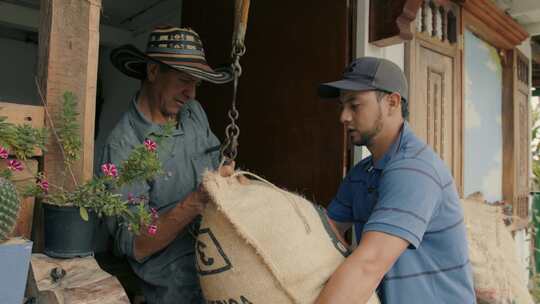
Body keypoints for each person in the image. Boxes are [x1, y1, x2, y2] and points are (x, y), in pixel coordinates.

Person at [314, 57, 475, 304]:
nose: (343, 117)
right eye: (342, 106)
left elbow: (369, 264)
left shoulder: (415, 170)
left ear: (392, 102)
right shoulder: (362, 173)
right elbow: (322, 233)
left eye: (354, 105)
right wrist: (242, 193)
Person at [96, 26, 233, 304]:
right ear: (153, 72)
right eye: (184, 80)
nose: (191, 94)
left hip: (219, 254)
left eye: (196, 83)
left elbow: (216, 160)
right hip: (174, 280)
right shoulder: (124, 146)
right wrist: (194, 203)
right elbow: (135, 244)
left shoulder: (193, 113)